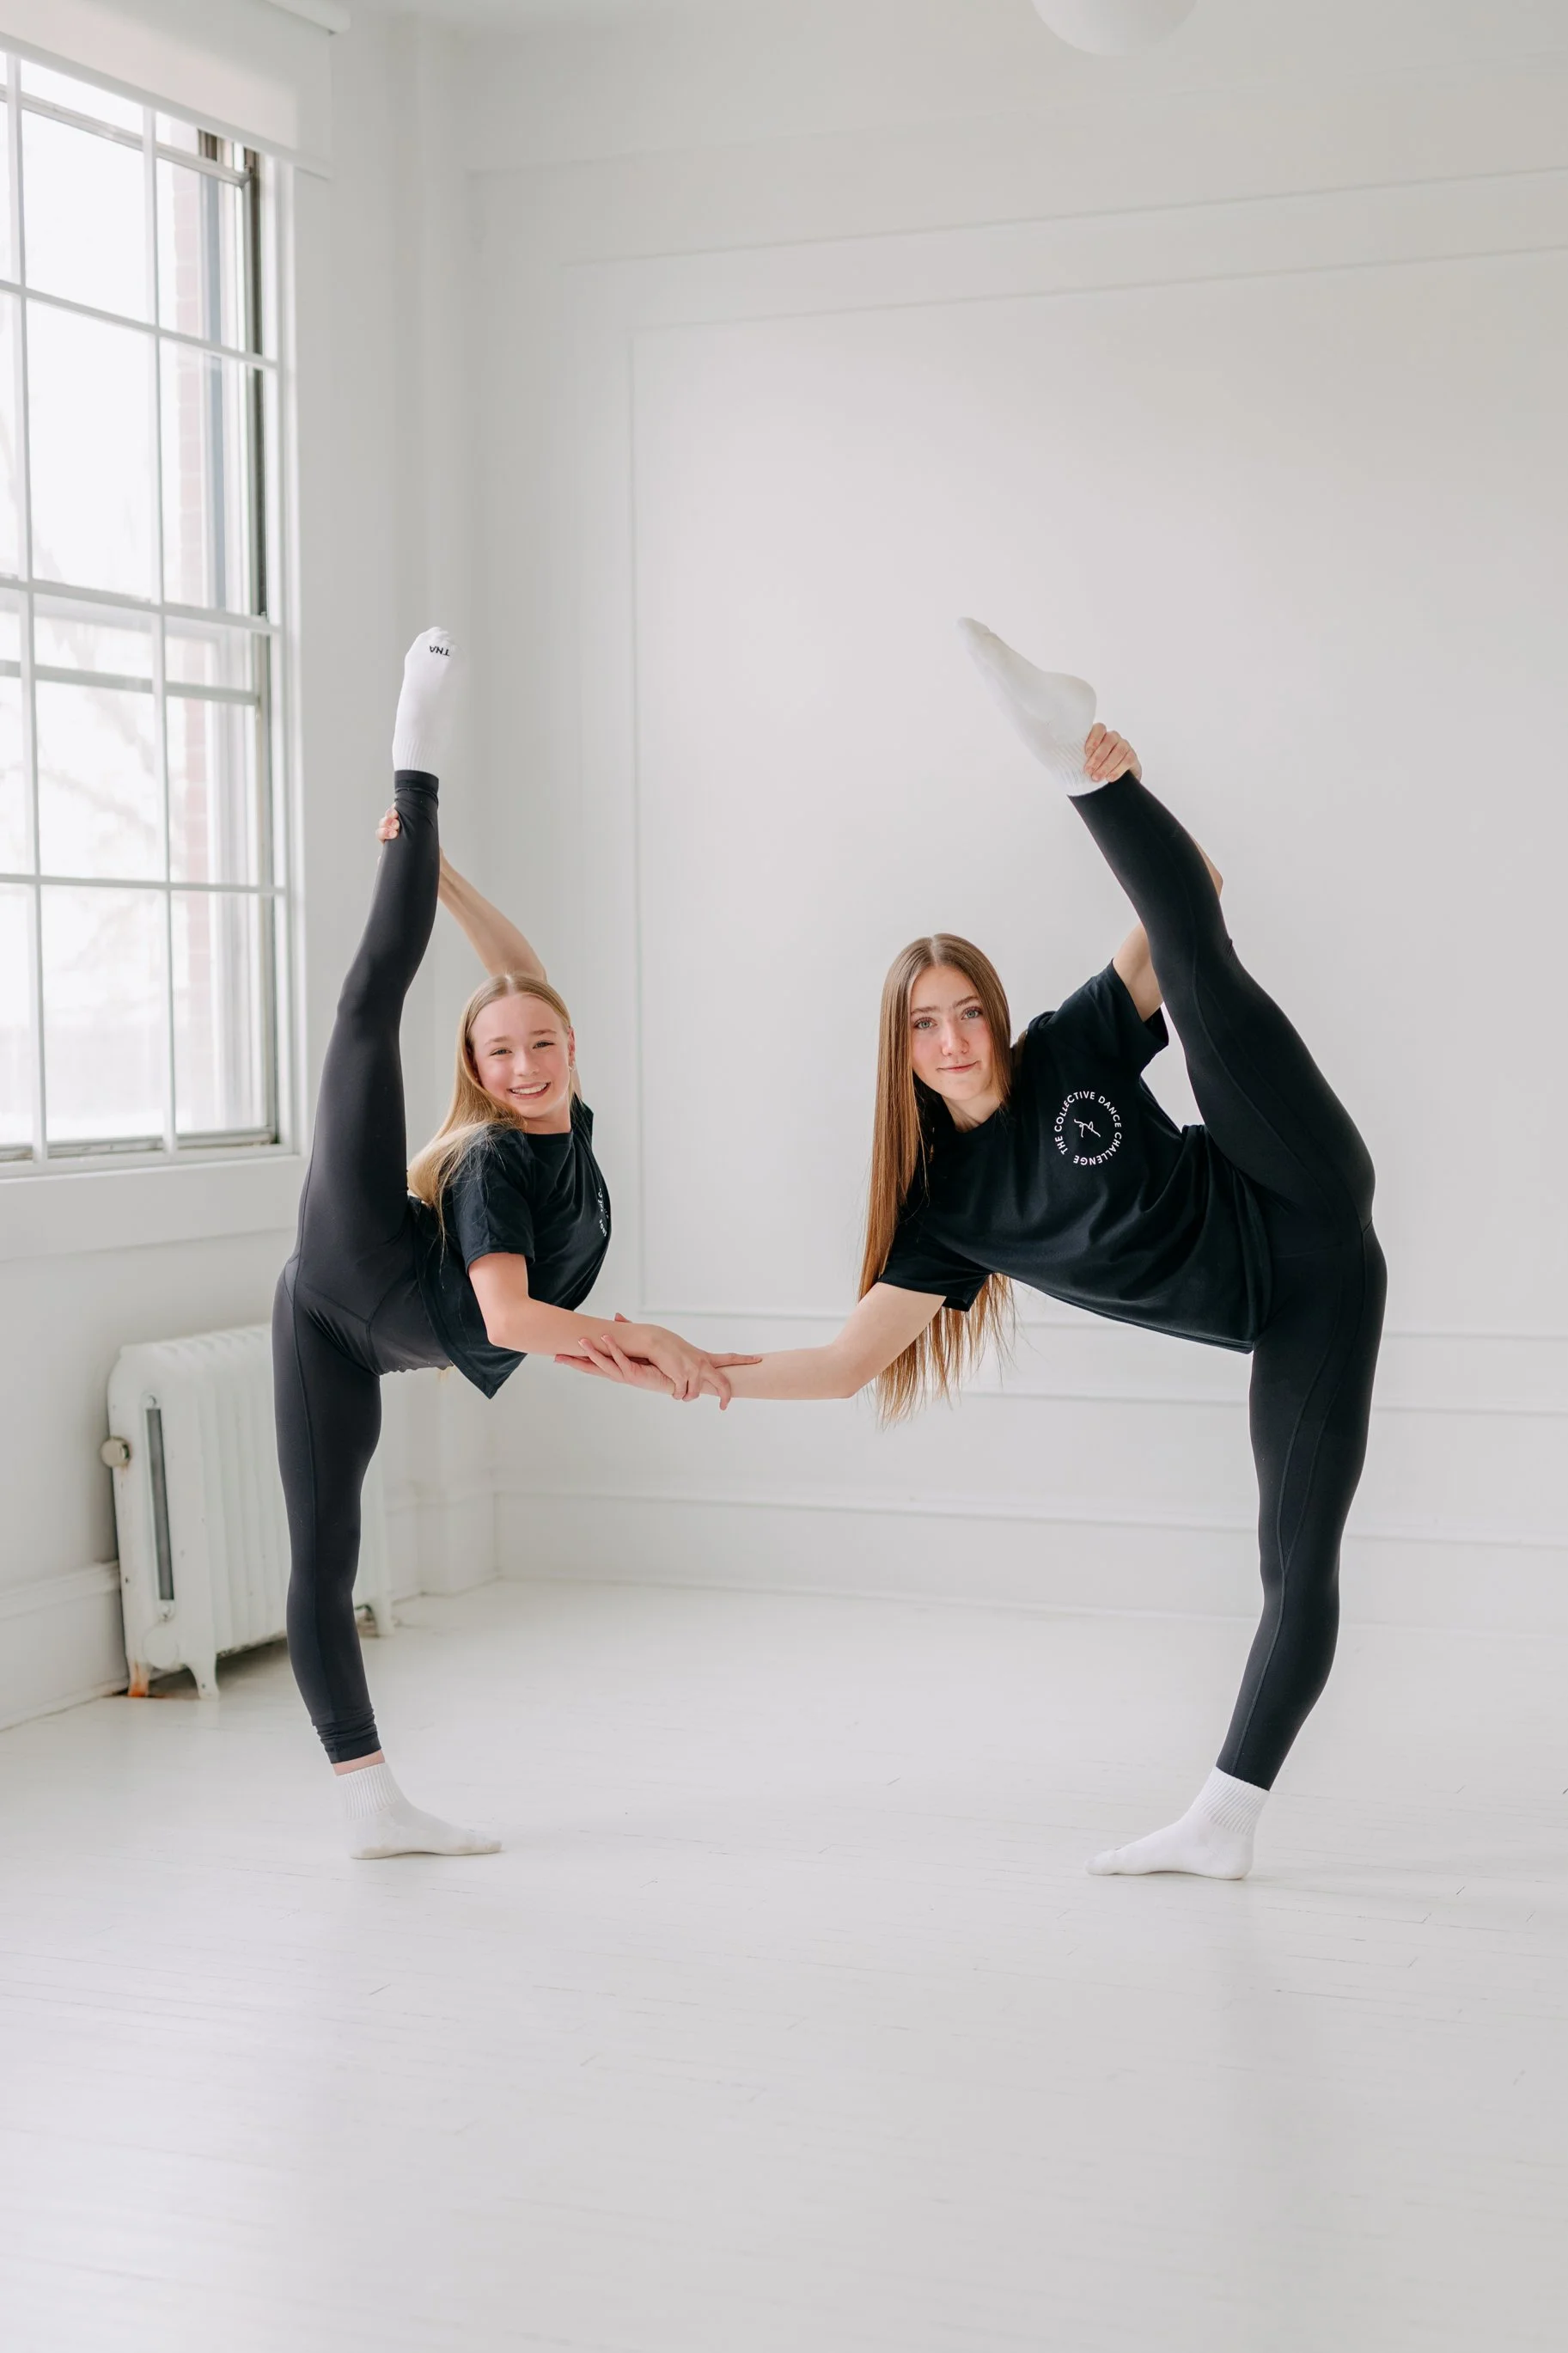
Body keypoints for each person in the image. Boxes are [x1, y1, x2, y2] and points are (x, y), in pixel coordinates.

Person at [562, 621, 1385, 1880]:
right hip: (1311, 1307)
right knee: (1293, 1560)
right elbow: (846, 1365)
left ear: (997, 1017)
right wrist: (695, 1364)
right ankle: (1224, 1820)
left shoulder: (1069, 1048)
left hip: (1301, 1183)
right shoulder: (947, 1213)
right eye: (926, 1025)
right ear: (900, 1053)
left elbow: (1195, 899)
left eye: (968, 1013)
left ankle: (1073, 763)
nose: (955, 1038)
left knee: (1205, 980)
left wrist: (1126, 773)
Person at [272, 630, 753, 1859]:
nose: (528, 1063)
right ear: (477, 1073)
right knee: (363, 1010)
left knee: (328, 1551)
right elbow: (509, 1320)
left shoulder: (565, 1120)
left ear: (574, 1052)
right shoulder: (491, 1160)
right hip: (354, 1269)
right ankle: (411, 762)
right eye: (501, 1053)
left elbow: (523, 970)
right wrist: (637, 1337)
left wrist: (443, 876)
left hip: (371, 1331)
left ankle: (372, 1811)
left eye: (545, 1045)